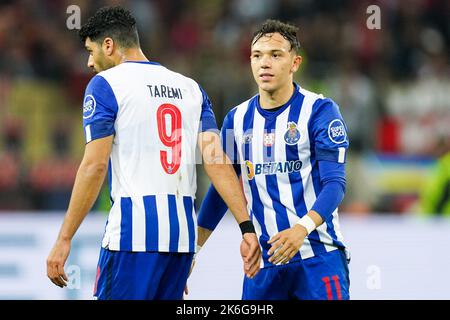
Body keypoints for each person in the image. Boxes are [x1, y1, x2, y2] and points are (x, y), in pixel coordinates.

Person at [46, 6, 260, 300]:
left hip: (132, 239)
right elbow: (216, 162)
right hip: (181, 242)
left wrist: (64, 238)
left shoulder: (106, 85)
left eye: (91, 50)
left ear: (108, 45)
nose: (89, 62)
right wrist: (246, 228)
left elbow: (94, 166)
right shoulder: (191, 88)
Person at [197, 19, 350, 300]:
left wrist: (300, 229)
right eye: (257, 56)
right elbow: (223, 189)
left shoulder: (320, 111)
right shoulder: (236, 119)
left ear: (295, 63)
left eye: (275, 55)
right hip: (265, 263)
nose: (264, 63)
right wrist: (194, 250)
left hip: (318, 256)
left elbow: (335, 185)